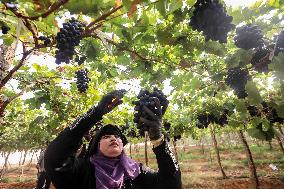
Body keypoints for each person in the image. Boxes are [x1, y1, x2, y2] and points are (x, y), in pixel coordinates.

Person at [44, 90, 181, 189]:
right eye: (106, 136)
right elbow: (54, 158)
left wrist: (158, 140)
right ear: (96, 145)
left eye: (117, 136)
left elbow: (171, 183)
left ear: (122, 144)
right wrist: (95, 113)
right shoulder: (83, 170)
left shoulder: (137, 171)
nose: (113, 139)